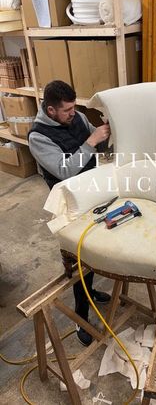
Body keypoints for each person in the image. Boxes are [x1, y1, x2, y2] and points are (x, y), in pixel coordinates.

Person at [28, 80, 111, 346]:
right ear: (51, 110)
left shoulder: (77, 116)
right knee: (78, 259)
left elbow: (97, 144)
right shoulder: (38, 136)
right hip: (68, 200)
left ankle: (91, 290)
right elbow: (63, 169)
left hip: (91, 189)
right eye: (67, 110)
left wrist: (107, 139)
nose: (73, 113)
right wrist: (91, 141)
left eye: (74, 107)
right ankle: (81, 318)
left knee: (95, 249)